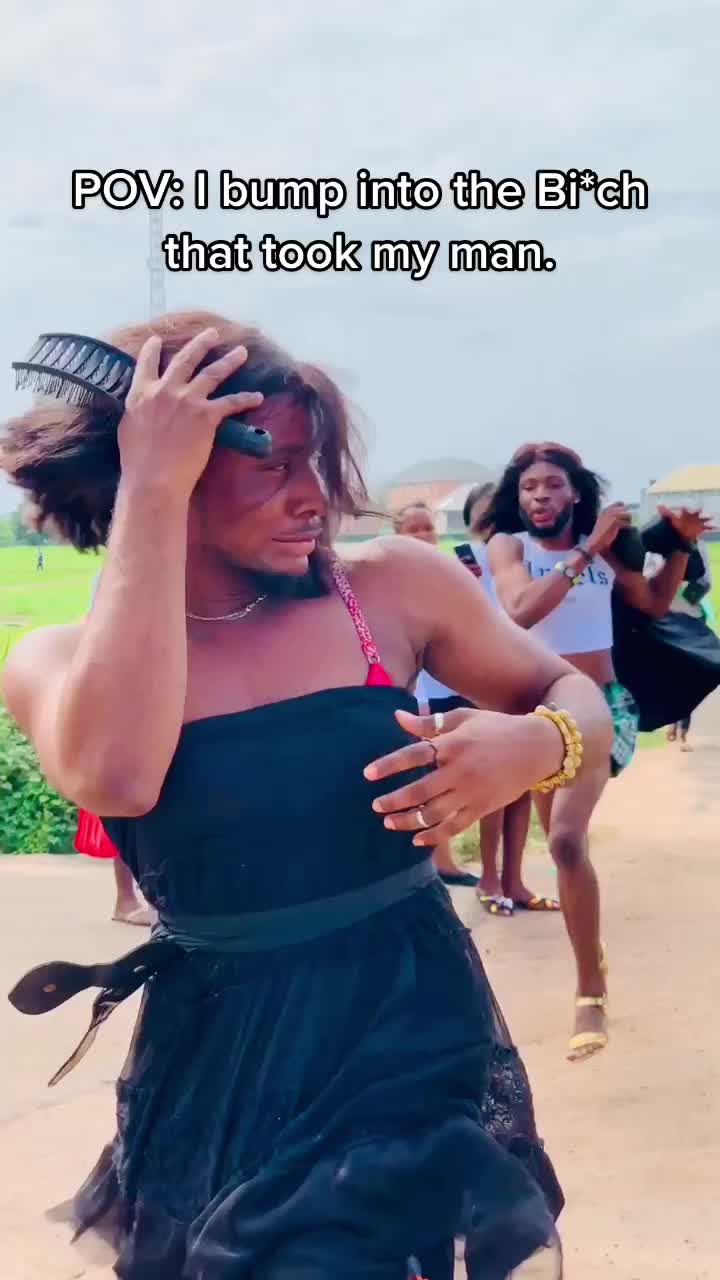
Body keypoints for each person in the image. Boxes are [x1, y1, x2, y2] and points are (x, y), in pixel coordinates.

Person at [1, 316, 612, 1279]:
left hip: (412, 1025)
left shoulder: (389, 589)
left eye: (316, 462)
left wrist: (540, 742)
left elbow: (572, 695)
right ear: (160, 467)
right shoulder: (56, 662)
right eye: (274, 465)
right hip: (220, 1061)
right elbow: (116, 776)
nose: (315, 498)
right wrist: (150, 484)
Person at [480, 441, 706, 1060]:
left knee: (564, 841)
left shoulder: (602, 546)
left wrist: (681, 546)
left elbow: (652, 603)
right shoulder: (510, 548)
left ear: (575, 493)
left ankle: (590, 989)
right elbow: (520, 611)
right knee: (561, 842)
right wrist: (587, 549)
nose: (540, 496)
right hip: (537, 712)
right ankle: (590, 950)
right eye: (529, 487)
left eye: (552, 485)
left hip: (601, 704)